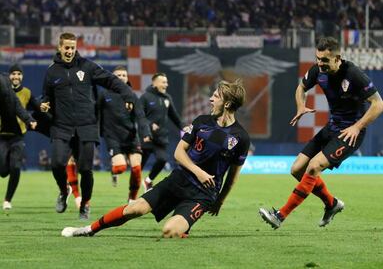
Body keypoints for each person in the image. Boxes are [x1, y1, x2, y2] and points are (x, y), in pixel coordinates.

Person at [61, 79, 250, 238]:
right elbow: (178, 153)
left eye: (215, 96)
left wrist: (220, 201)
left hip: (202, 195)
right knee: (134, 209)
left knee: (170, 231)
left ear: (226, 104)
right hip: (178, 180)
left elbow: (232, 177)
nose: (210, 99)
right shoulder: (202, 121)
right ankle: (88, 229)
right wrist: (199, 172)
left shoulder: (240, 137)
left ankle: (183, 226)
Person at [259, 37, 383, 229]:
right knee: (297, 170)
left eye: (325, 60)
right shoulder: (317, 71)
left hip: (349, 134)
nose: (320, 63)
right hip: (331, 128)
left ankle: (280, 216)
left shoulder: (354, 74)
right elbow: (301, 87)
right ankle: (332, 204)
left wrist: (357, 127)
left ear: (337, 58)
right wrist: (301, 105)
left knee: (313, 167)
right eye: (318, 58)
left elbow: (379, 104)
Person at [40, 32, 136, 219]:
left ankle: (85, 205)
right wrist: (44, 104)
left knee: (85, 169)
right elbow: (46, 97)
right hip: (62, 126)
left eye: (72, 47)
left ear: (76, 48)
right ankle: (63, 190)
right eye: (66, 47)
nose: (69, 51)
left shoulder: (87, 66)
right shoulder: (52, 72)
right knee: (57, 164)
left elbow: (110, 80)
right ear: (59, 48)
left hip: (86, 126)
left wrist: (128, 94)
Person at [99, 65, 151, 201]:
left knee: (136, 169)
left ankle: (132, 199)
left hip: (131, 137)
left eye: (124, 75)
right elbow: (95, 115)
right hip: (112, 137)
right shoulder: (104, 94)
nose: (121, 78)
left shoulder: (132, 96)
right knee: (121, 167)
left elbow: (140, 116)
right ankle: (114, 171)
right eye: (118, 75)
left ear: (127, 78)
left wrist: (145, 132)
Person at [139, 73, 184, 191]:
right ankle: (132, 191)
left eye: (166, 82)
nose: (166, 84)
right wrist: (149, 124)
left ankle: (148, 180)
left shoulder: (167, 98)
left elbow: (174, 116)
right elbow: (139, 116)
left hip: (160, 137)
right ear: (154, 83)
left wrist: (183, 127)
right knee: (138, 167)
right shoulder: (145, 97)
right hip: (146, 137)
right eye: (163, 82)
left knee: (162, 159)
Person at [0, 65, 37, 210]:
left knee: (15, 166)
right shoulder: (4, 90)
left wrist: (31, 120)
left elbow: (21, 108)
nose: (16, 76)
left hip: (17, 137)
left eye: (18, 74)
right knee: (3, 171)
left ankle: (7, 200)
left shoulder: (25, 93)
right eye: (13, 74)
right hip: (1, 137)